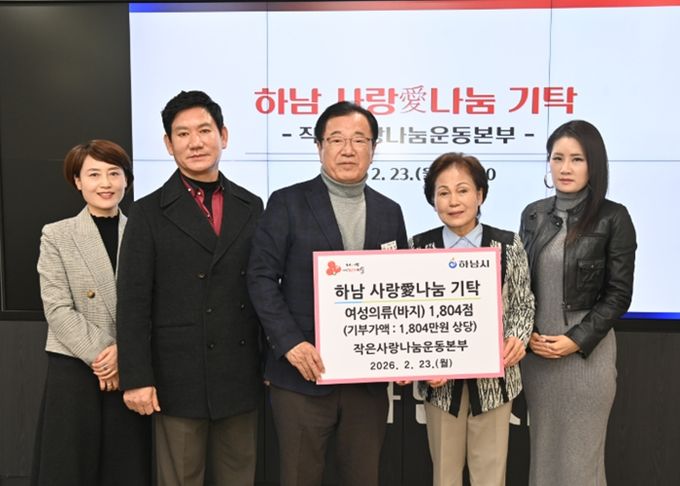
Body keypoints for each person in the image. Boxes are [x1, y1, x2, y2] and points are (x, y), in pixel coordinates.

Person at [247, 101, 408, 486]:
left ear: (373, 148)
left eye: (359, 140)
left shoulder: (390, 210)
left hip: (367, 382)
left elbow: (400, 289)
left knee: (363, 478)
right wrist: (290, 344)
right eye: (336, 139)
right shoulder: (287, 202)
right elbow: (261, 277)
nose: (348, 149)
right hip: (302, 374)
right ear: (319, 147)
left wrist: (404, 355)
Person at [116, 90, 264, 486]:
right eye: (182, 134)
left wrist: (269, 363)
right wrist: (136, 377)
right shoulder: (147, 212)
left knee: (239, 477)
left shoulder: (252, 205)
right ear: (168, 144)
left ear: (223, 135)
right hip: (176, 376)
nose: (195, 142)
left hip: (239, 371)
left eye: (204, 130)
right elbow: (132, 301)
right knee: (179, 478)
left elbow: (262, 288)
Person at [519, 120, 637, 486]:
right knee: (543, 459)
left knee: (580, 465)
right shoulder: (534, 214)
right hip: (539, 358)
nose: (565, 168)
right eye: (557, 158)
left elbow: (618, 294)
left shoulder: (614, 217)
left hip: (587, 358)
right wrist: (528, 334)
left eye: (577, 159)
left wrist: (575, 340)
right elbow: (520, 285)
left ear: (593, 165)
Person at [410, 153, 534, 486]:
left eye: (463, 190)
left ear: (480, 195)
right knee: (444, 476)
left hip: (495, 383)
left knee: (490, 477)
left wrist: (517, 338)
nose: (454, 201)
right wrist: (421, 362)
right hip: (440, 386)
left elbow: (523, 304)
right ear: (432, 200)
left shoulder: (507, 244)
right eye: (443, 192)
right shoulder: (418, 248)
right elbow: (409, 317)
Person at [32, 140, 150, 486]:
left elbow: (158, 303)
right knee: (69, 467)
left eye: (114, 173)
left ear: (127, 180)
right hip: (75, 367)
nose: (105, 183)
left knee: (126, 468)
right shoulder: (57, 234)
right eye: (94, 174)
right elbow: (57, 308)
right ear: (78, 181)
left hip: (131, 367)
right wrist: (105, 355)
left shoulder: (144, 231)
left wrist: (124, 353)